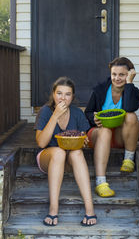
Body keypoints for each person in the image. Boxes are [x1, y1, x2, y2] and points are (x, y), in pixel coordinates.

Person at [35, 76, 97, 226]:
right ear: (53, 94)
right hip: (47, 159)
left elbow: (84, 139)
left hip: (70, 160)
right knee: (58, 152)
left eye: (67, 94)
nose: (63, 98)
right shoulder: (45, 111)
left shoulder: (77, 113)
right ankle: (53, 209)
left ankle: (90, 210)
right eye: (59, 93)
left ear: (72, 97)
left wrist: (85, 141)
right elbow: (41, 142)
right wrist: (55, 115)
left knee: (77, 153)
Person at [85, 57, 139, 198]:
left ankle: (128, 160)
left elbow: (129, 108)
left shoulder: (134, 93)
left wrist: (129, 84)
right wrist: (94, 118)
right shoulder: (100, 90)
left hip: (119, 137)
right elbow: (87, 112)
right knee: (104, 131)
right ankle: (100, 182)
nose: (117, 78)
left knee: (131, 116)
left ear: (129, 74)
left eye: (122, 75)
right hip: (99, 135)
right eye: (114, 74)